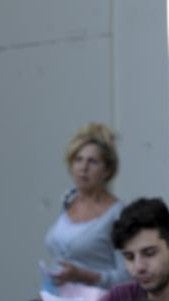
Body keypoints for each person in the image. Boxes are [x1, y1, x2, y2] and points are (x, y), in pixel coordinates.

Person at [41, 123, 127, 291]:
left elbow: (126, 278)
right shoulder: (68, 200)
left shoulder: (118, 214)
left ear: (107, 170)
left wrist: (82, 275)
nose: (83, 168)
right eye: (78, 160)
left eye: (92, 161)